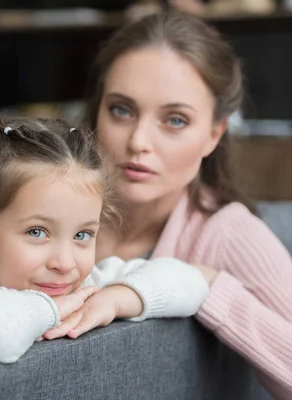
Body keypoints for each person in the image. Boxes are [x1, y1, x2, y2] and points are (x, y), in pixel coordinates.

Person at [84, 12, 292, 400]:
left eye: (175, 120)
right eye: (122, 110)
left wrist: (208, 287)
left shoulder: (228, 233)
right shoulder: (47, 198)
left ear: (214, 134)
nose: (139, 141)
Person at [0, 117, 209, 363]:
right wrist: (53, 310)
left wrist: (117, 299)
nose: (64, 263)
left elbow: (192, 283)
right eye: (37, 232)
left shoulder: (89, 288)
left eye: (82, 235)